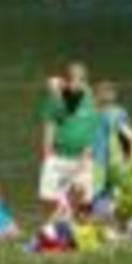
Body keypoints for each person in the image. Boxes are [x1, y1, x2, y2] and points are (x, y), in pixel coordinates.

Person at [37, 62, 98, 211]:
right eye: (73, 79)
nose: (77, 83)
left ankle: (82, 230)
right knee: (48, 198)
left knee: (85, 200)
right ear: (67, 80)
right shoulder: (56, 100)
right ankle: (55, 227)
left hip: (83, 157)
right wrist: (47, 154)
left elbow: (92, 129)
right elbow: (49, 126)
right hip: (59, 157)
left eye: (81, 79)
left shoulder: (90, 99)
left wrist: (88, 153)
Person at [91, 79, 132, 212]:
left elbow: (130, 137)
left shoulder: (113, 114)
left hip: (103, 167)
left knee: (102, 202)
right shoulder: (114, 113)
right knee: (111, 201)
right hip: (109, 166)